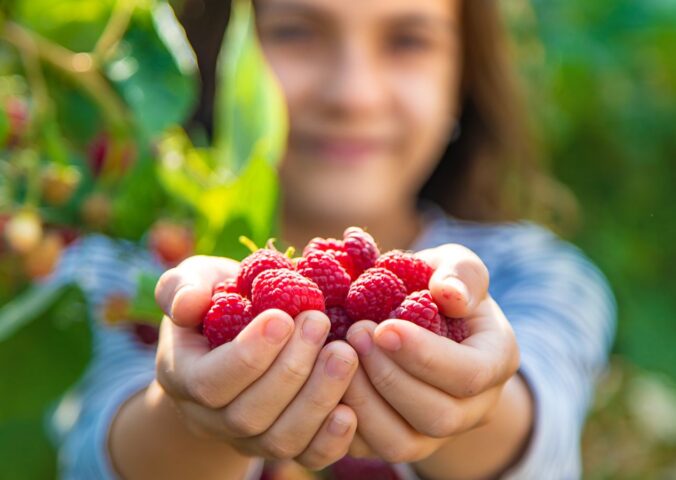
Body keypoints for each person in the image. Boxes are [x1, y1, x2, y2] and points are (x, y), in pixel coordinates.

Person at [47, 0, 617, 478]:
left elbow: (542, 436)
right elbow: (94, 448)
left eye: (407, 41)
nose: (352, 94)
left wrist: (475, 397)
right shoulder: (120, 276)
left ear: (463, 78)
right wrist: (191, 410)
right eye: (297, 32)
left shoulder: (537, 275)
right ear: (217, 54)